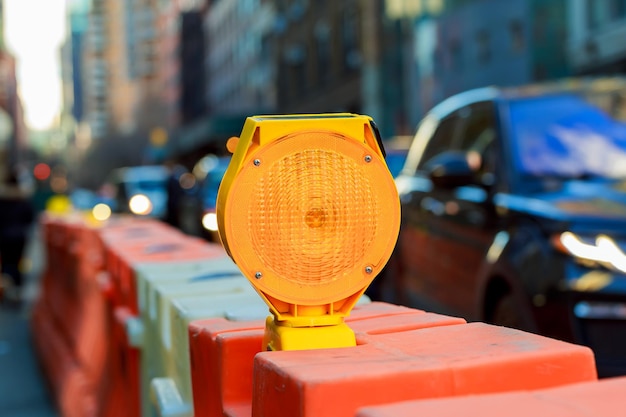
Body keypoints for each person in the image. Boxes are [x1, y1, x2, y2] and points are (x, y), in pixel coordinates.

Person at [0, 168, 35, 303]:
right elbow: (29, 217)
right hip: (19, 237)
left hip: (3, 236)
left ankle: (5, 286)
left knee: (5, 263)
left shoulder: (2, 199)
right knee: (17, 263)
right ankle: (16, 290)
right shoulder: (23, 199)